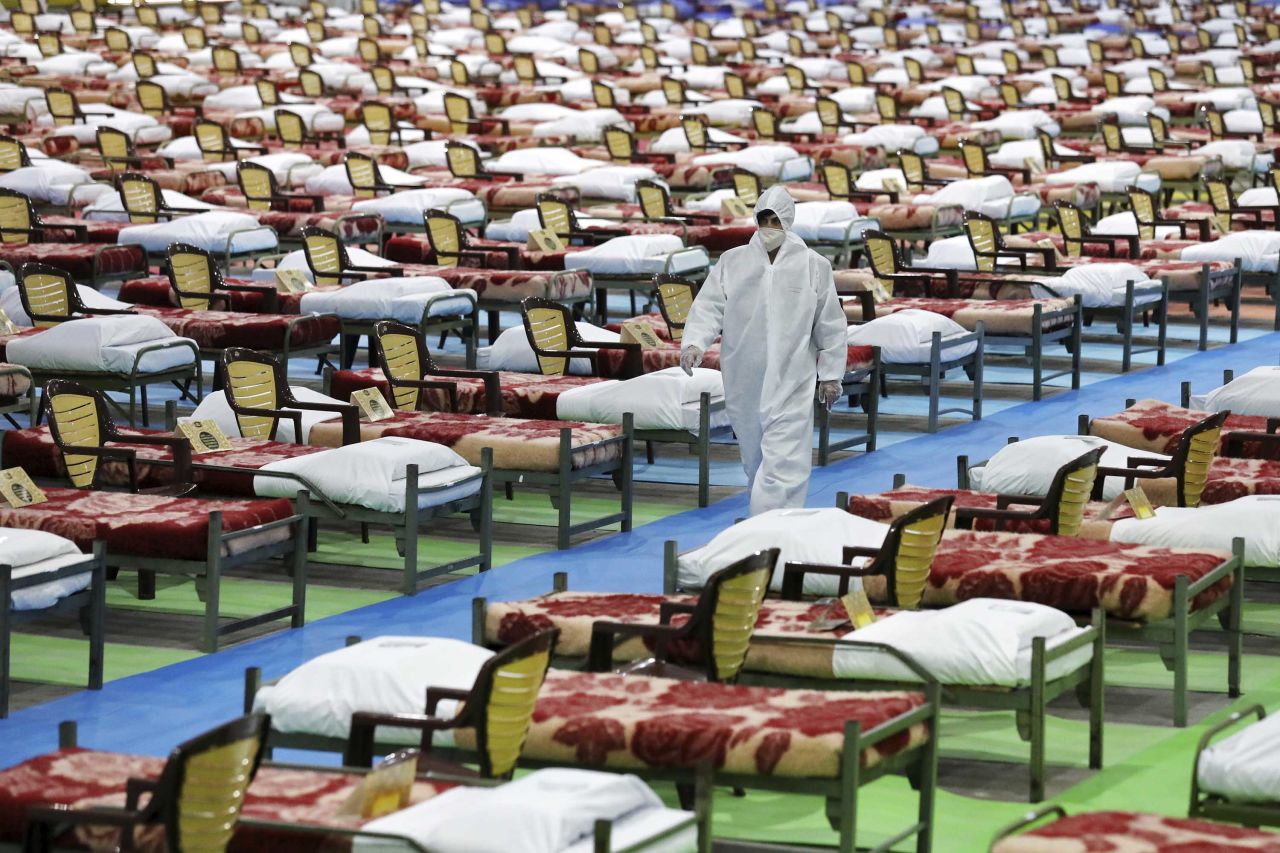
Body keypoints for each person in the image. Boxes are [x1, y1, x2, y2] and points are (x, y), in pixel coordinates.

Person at [679, 185, 846, 516]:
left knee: (785, 459)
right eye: (763, 219)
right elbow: (709, 306)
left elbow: (829, 322)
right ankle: (769, 520)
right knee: (755, 458)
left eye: (775, 220)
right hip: (745, 376)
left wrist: (830, 374)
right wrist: (695, 342)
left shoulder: (814, 265)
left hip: (793, 377)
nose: (769, 227)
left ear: (788, 221)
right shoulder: (733, 261)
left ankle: (768, 527)